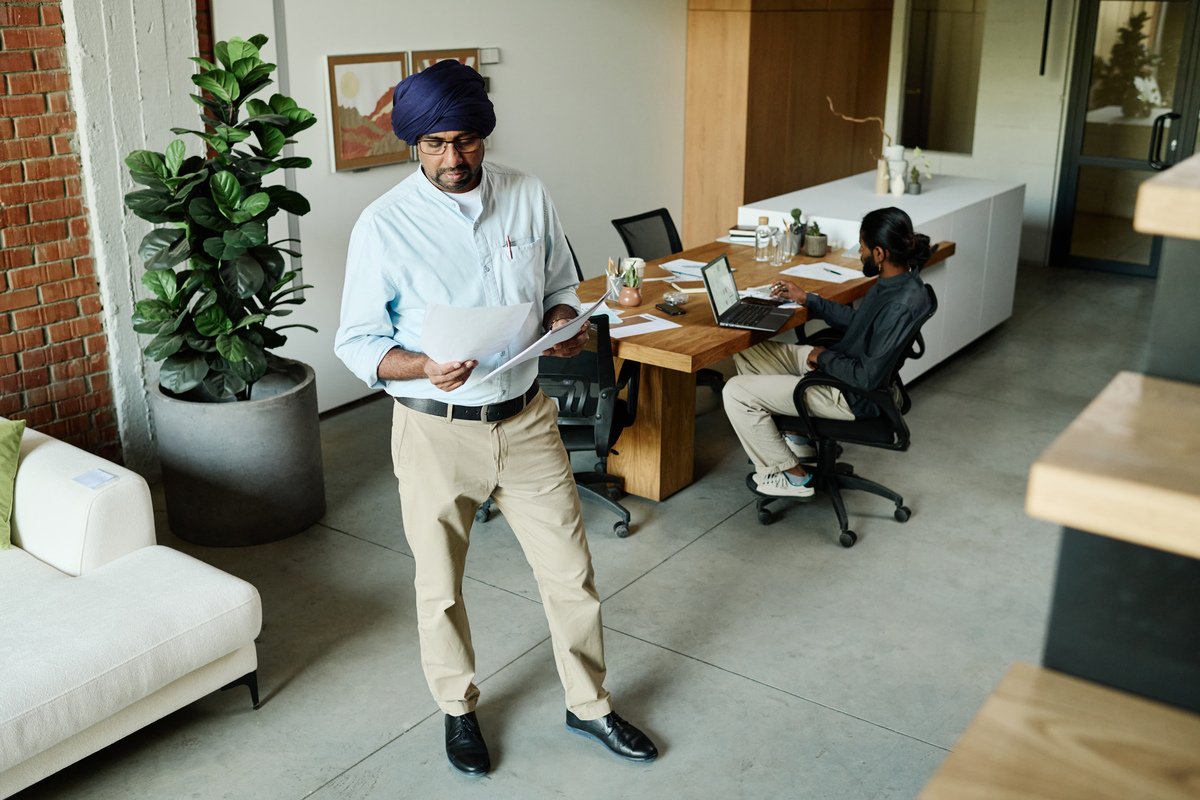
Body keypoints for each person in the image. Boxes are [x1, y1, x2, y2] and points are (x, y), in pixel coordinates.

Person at [334, 60, 656, 776]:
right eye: (436, 144)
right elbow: (355, 342)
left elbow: (558, 289)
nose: (454, 159)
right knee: (440, 585)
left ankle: (589, 703)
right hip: (433, 429)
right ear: (414, 145)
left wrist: (567, 322)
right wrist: (421, 364)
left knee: (572, 573)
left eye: (467, 141)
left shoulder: (529, 194)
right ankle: (457, 710)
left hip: (528, 419)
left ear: (485, 134)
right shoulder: (383, 225)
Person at [723, 206, 932, 499]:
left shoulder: (898, 304)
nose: (859, 252)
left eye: (862, 247)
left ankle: (789, 475)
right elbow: (859, 323)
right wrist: (808, 299)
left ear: (880, 254)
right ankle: (799, 438)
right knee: (749, 353)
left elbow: (867, 377)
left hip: (848, 394)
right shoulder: (899, 282)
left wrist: (823, 357)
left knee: (735, 392)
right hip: (841, 368)